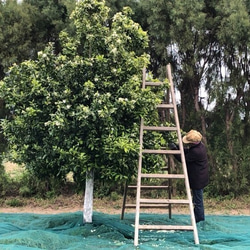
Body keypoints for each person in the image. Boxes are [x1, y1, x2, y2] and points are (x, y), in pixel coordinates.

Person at [169, 129, 209, 223]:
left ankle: (199, 220)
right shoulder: (199, 146)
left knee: (198, 201)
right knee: (197, 200)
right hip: (200, 176)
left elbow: (183, 159)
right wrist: (178, 146)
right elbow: (187, 151)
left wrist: (174, 149)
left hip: (198, 179)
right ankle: (197, 218)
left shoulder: (196, 151)